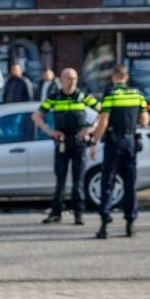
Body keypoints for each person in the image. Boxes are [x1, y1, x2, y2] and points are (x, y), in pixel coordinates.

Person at [32, 68, 101, 226]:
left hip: (78, 143)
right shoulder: (55, 98)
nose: (72, 82)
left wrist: (90, 129)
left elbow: (103, 111)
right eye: (68, 78)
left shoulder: (82, 97)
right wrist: (50, 131)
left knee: (78, 181)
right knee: (60, 180)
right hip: (62, 142)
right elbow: (36, 116)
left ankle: (78, 214)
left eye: (74, 78)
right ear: (61, 79)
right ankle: (56, 214)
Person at [90, 65, 149, 239]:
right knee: (130, 184)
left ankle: (104, 225)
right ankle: (130, 224)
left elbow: (104, 121)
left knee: (107, 183)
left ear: (114, 77)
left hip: (113, 143)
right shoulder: (137, 94)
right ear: (126, 77)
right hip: (130, 141)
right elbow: (145, 121)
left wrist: (94, 141)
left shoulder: (111, 94)